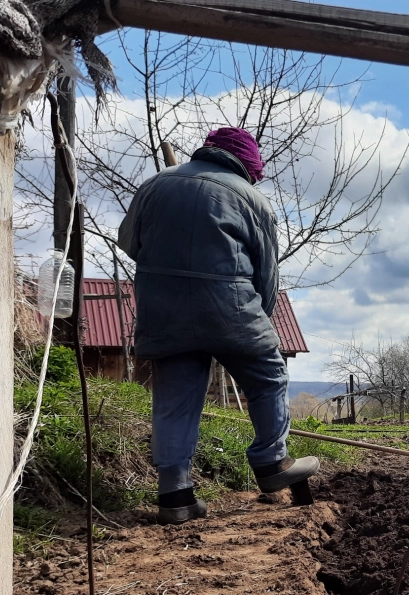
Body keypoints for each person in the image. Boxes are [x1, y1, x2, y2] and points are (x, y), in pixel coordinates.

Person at [118, 127, 319, 525]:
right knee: (268, 375)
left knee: (175, 397)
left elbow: (129, 242)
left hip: (164, 310)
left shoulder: (154, 186)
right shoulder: (252, 200)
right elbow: (266, 274)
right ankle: (272, 462)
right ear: (247, 165)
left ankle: (175, 495)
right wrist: (257, 321)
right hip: (231, 306)